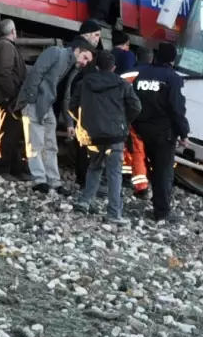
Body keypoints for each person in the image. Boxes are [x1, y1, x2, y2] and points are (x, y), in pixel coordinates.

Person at [14, 38, 94, 195]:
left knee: (50, 145)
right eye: (85, 57)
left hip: (46, 105)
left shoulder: (72, 67)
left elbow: (65, 96)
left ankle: (53, 182)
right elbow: (36, 74)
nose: (85, 63)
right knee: (36, 143)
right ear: (77, 50)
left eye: (88, 61)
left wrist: (69, 122)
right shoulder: (55, 53)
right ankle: (40, 181)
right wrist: (31, 100)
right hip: (37, 102)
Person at [70, 49, 141, 223]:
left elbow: (72, 105)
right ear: (114, 67)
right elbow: (136, 106)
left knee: (94, 166)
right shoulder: (122, 84)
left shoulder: (84, 83)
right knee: (114, 173)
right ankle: (113, 213)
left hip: (92, 134)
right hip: (115, 135)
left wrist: (84, 122)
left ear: (96, 66)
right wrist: (125, 120)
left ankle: (85, 202)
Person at [132, 41, 190, 223]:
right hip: (163, 133)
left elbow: (133, 100)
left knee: (150, 168)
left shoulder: (141, 74)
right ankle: (162, 212)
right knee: (163, 172)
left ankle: (155, 204)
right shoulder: (172, 78)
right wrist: (183, 133)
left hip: (142, 129)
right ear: (172, 60)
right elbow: (177, 108)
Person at [62, 20, 104, 188]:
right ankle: (84, 178)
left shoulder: (69, 47)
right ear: (87, 34)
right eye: (96, 35)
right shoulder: (89, 53)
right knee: (84, 142)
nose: (98, 40)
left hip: (68, 101)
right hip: (82, 103)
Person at [0, 19, 27, 179]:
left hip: (8, 97)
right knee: (9, 134)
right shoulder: (6, 46)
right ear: (13, 31)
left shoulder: (3, 46)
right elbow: (4, 72)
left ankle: (16, 169)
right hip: (9, 98)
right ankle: (2, 169)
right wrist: (12, 95)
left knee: (14, 133)